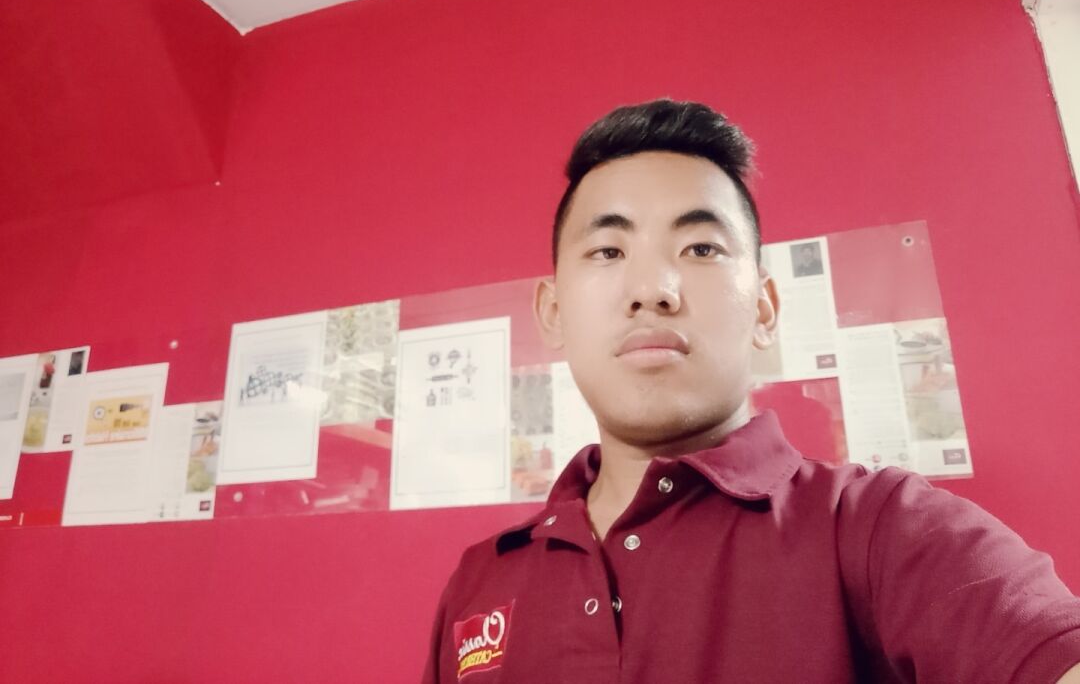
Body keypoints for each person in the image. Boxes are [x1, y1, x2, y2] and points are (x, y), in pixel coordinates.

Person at [422, 100, 1080, 683]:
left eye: (701, 249)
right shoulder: (479, 580)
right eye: (608, 251)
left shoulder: (879, 527)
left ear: (764, 308)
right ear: (553, 313)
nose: (653, 289)